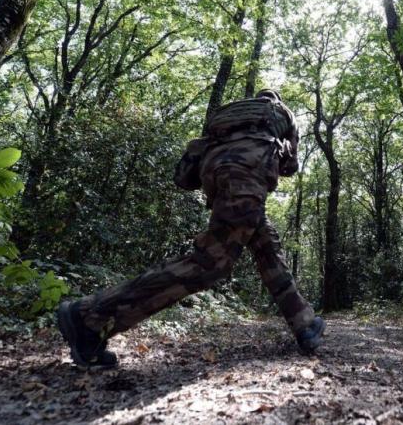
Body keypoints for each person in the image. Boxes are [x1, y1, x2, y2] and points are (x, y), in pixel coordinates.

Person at [57, 89, 325, 368]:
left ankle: (303, 324)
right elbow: (290, 164)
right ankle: (89, 316)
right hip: (248, 171)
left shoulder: (225, 120)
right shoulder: (283, 114)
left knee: (265, 245)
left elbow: (186, 177)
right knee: (210, 264)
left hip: (218, 171)